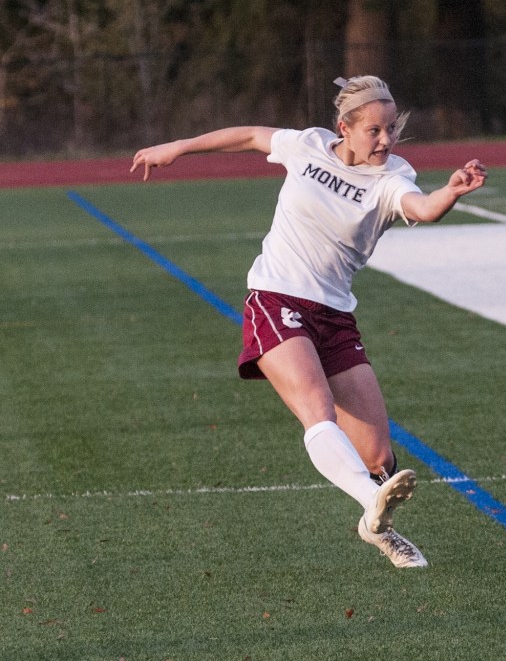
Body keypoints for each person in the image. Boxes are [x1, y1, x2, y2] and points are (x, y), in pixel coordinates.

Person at [130, 75, 487, 568]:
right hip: (276, 299)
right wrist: (180, 146)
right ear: (344, 127)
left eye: (391, 130)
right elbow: (252, 136)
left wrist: (451, 191)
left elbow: (421, 208)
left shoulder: (392, 176)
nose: (385, 140)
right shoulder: (309, 146)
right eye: (374, 131)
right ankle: (371, 502)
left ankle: (374, 521)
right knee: (316, 408)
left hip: (335, 316)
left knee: (379, 459)